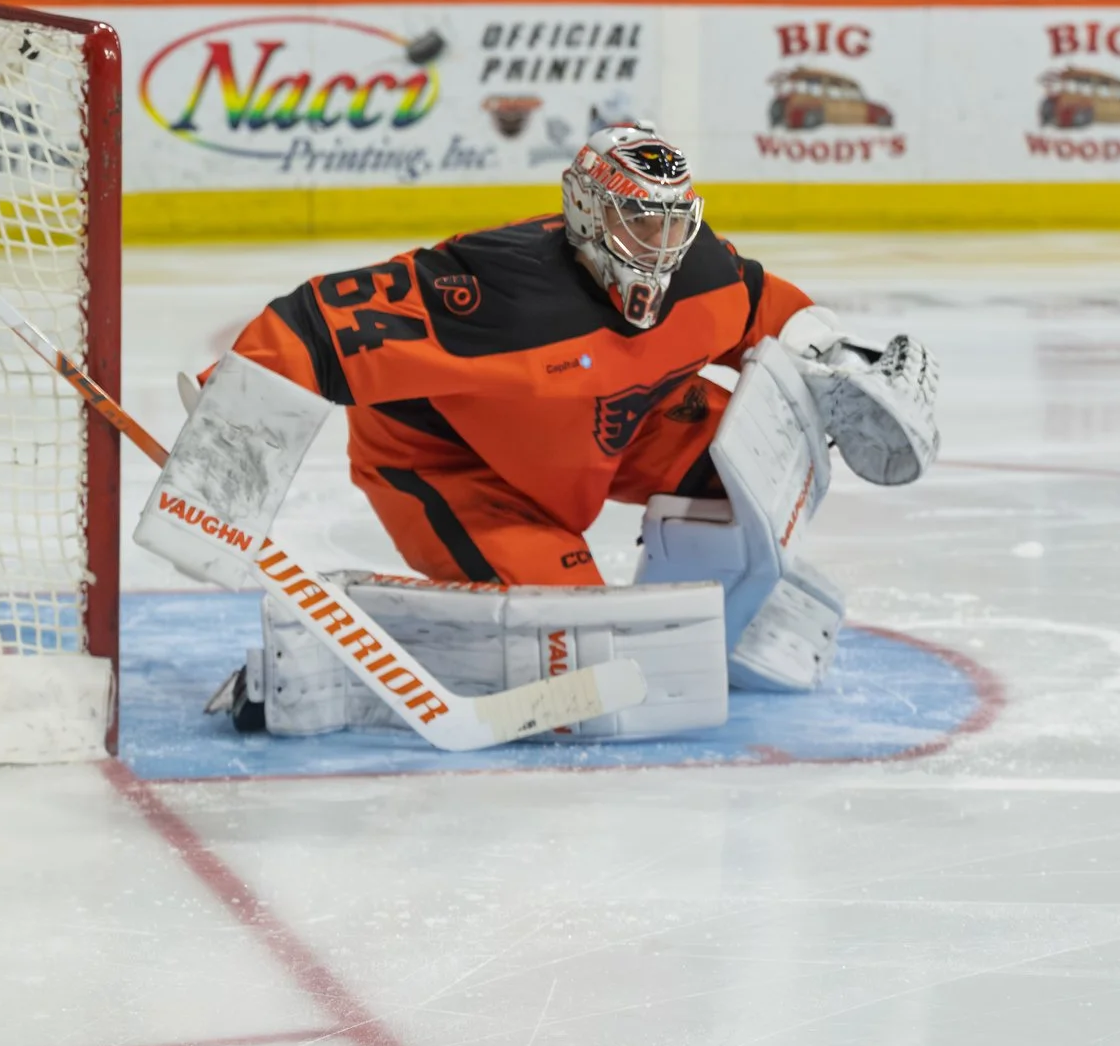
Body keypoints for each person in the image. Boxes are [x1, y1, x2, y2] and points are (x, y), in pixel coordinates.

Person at [142, 124, 936, 727]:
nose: (659, 249)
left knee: (766, 451)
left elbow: (766, 307)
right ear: (587, 212)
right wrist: (228, 441)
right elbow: (317, 322)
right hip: (460, 467)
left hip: (610, 431)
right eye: (639, 224)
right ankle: (324, 665)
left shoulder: (701, 272)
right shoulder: (494, 293)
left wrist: (838, 356)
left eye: (672, 224)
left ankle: (736, 603)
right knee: (576, 653)